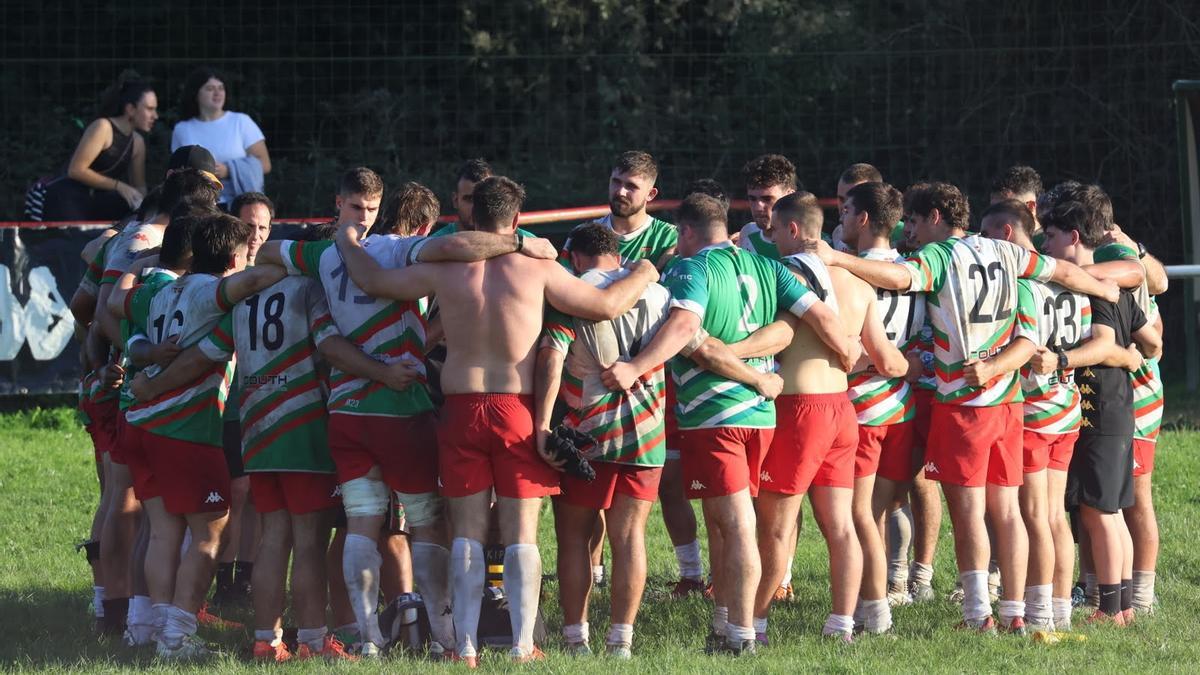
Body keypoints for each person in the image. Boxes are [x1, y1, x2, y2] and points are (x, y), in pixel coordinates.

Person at [333, 175, 659, 665]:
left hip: (462, 407)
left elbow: (372, 280)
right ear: (515, 220)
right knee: (520, 532)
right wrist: (647, 270)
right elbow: (608, 305)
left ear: (473, 217)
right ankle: (523, 645)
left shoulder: (447, 265)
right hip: (516, 409)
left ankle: (464, 645)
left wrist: (345, 238)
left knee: (464, 531)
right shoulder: (537, 268)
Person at [812, 181, 1120, 634]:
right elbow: (1062, 273)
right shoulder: (1005, 251)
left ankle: (978, 615)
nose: (911, 233)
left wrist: (837, 257)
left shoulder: (941, 256)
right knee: (1009, 510)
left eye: (915, 222)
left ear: (935, 218)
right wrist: (1105, 290)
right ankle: (1017, 611)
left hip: (964, 402)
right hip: (1009, 401)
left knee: (969, 513)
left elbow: (900, 278)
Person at [601, 193, 856, 655]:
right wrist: (846, 355)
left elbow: (682, 328)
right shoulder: (767, 265)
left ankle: (741, 635)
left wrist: (636, 365)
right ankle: (725, 623)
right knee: (724, 520)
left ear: (686, 232)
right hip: (761, 414)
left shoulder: (690, 269)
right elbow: (812, 317)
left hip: (714, 414)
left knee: (736, 525)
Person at [107, 212, 289, 660]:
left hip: (143, 423)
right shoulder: (215, 290)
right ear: (232, 255)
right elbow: (253, 282)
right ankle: (177, 636)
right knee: (210, 537)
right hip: (185, 429)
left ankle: (143, 625)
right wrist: (290, 256)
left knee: (164, 531)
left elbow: (122, 312)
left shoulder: (166, 288)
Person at [534, 223, 673, 658]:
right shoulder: (658, 293)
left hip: (586, 438)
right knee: (630, 536)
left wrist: (541, 423)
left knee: (574, 537)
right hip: (647, 435)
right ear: (617, 253)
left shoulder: (570, 293)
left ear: (574, 257)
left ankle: (576, 639)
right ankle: (621, 642)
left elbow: (552, 359)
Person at [1039, 186, 1162, 626]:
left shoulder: (1098, 290)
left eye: (1051, 235)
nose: (1045, 243)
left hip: (1101, 409)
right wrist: (1133, 353)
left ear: (1073, 237)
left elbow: (1113, 344)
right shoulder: (1113, 286)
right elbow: (1152, 342)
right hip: (1113, 409)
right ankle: (1121, 604)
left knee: (1098, 511)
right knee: (1105, 509)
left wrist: (1069, 358)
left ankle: (1112, 609)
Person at [836, 182, 929, 620]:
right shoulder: (916, 270)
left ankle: (871, 608)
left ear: (863, 219)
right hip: (901, 406)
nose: (839, 216)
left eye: (845, 208)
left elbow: (845, 347)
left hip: (862, 409)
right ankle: (894, 586)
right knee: (889, 506)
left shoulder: (849, 273)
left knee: (861, 515)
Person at [34, 74, 157, 221]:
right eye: (150, 109)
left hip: (96, 203)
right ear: (130, 109)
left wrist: (147, 213)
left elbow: (139, 187)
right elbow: (76, 170)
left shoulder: (137, 142)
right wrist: (119, 186)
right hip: (66, 200)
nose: (155, 116)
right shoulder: (103, 127)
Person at [171, 67, 271, 206]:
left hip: (239, 207)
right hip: (197, 205)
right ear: (196, 93)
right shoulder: (182, 129)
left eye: (221, 88)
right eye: (210, 88)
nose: (217, 93)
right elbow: (177, 170)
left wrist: (229, 169)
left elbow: (265, 164)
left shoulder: (241, 122)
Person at [561, 151, 677, 270]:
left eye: (631, 186)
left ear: (651, 194)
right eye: (616, 182)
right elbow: (561, 286)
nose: (621, 192)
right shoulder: (581, 235)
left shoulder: (670, 238)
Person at [736, 154, 798, 260]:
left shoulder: (816, 242)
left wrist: (835, 257)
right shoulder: (747, 234)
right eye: (752, 199)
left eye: (767, 199)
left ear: (790, 196)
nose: (757, 208)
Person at [832, 163, 886, 252]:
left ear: (877, 197)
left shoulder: (905, 234)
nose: (844, 207)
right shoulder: (838, 234)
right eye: (841, 199)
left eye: (853, 201)